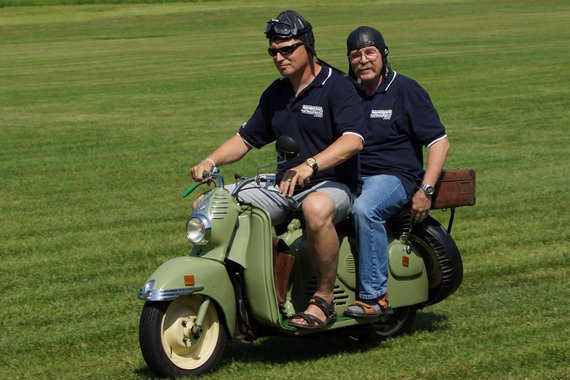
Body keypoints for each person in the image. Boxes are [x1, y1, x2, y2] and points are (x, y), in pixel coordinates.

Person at [189, 10, 366, 329]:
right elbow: (245, 139)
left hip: (335, 184)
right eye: (273, 51)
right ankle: (250, 289)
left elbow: (353, 141)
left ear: (308, 46)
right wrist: (210, 161)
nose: (279, 57)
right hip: (284, 185)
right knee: (214, 205)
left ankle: (323, 300)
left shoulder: (337, 86)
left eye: (287, 49)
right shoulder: (277, 93)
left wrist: (310, 165)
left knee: (315, 209)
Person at [343, 26, 450, 318]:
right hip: (352, 176)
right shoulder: (349, 94)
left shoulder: (406, 90)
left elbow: (440, 143)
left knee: (366, 210)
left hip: (395, 177)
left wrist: (425, 190)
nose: (363, 60)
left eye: (369, 53)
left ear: (383, 54)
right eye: (355, 55)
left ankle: (375, 297)